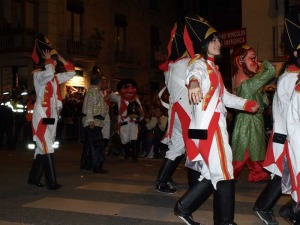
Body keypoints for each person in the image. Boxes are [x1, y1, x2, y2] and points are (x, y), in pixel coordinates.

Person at [174, 15, 259, 225]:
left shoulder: (214, 69)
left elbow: (225, 97)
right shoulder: (199, 64)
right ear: (203, 44)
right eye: (213, 40)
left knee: (213, 174)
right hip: (209, 128)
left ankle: (184, 207)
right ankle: (225, 222)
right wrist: (193, 83)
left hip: (210, 127)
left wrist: (246, 104)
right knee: (225, 173)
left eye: (218, 40)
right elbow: (194, 75)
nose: (218, 43)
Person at [253, 9, 300, 225]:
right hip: (287, 136)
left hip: (289, 135)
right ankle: (265, 207)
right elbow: (292, 112)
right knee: (285, 175)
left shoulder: (292, 75)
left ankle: (291, 210)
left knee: (288, 175)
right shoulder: (291, 77)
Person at [28, 33, 75, 190]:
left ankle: (33, 179)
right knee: (47, 146)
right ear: (46, 61)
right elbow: (48, 73)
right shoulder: (39, 75)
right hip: (41, 116)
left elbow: (71, 73)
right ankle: (51, 182)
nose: (54, 62)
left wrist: (61, 59)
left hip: (53, 117)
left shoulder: (55, 77)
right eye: (52, 60)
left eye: (55, 60)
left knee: (41, 148)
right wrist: (49, 60)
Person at [155, 22, 191, 194]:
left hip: (177, 111)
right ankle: (197, 185)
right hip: (185, 111)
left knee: (177, 146)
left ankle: (163, 180)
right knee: (192, 145)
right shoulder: (187, 64)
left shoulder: (171, 67)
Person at [230, 45, 275, 182]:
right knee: (242, 151)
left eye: (256, 59)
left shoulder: (250, 83)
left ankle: (257, 173)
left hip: (255, 119)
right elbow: (271, 70)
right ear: (240, 61)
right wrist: (264, 63)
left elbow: (265, 103)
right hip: (247, 120)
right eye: (253, 59)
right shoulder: (248, 84)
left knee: (254, 149)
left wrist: (260, 92)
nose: (256, 62)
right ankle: (229, 175)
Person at [80, 66, 108, 174]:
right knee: (97, 145)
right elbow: (89, 106)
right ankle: (97, 166)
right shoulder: (92, 91)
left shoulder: (97, 92)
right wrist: (91, 120)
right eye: (103, 82)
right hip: (93, 122)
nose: (104, 84)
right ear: (99, 82)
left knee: (89, 145)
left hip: (96, 121)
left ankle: (86, 165)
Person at [109, 79, 143, 162]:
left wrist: (141, 116)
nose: (129, 89)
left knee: (134, 137)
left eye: (132, 87)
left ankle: (134, 157)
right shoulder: (119, 98)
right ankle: (127, 154)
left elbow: (140, 109)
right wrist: (108, 88)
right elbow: (111, 95)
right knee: (124, 139)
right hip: (124, 122)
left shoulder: (136, 99)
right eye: (127, 87)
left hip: (133, 121)